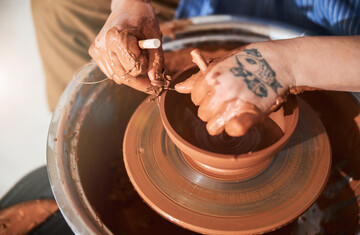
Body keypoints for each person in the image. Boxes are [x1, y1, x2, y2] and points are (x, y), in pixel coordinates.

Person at [32, 0, 360, 136]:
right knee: (60, 6)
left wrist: (286, 64)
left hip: (333, 37)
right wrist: (130, 6)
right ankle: (99, 139)